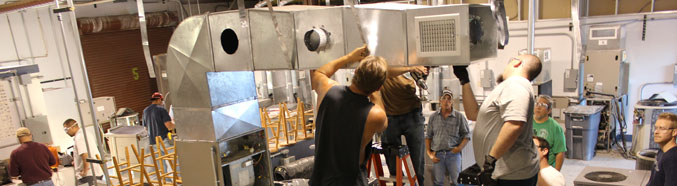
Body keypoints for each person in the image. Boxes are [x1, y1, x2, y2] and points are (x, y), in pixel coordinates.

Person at [455, 55, 542, 186]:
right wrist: (464, 80)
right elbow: (474, 114)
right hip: (506, 174)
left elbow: (514, 125)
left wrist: (490, 160)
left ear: (517, 63)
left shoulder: (516, 84)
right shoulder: (509, 87)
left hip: (511, 176)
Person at [309, 46, 388, 186]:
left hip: (320, 181)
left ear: (356, 72)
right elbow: (384, 123)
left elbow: (319, 72)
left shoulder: (328, 90)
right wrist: (374, 89)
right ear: (379, 88)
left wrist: (350, 57)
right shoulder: (375, 115)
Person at [380, 65, 428, 185]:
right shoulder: (383, 58)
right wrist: (410, 68)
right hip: (390, 116)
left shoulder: (411, 58)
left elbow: (421, 72)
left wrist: (421, 73)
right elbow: (384, 71)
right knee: (393, 167)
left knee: (417, 167)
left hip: (412, 114)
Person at [426, 90, 470, 186]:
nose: (446, 101)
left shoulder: (459, 117)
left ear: (452, 101)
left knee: (456, 182)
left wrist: (459, 148)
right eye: (444, 99)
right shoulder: (433, 117)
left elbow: (466, 135)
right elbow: (428, 136)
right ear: (440, 100)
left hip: (453, 155)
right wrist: (429, 153)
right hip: (438, 155)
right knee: (438, 182)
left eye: (449, 99)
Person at [63, 119, 104, 185]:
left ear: (73, 127)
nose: (66, 132)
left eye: (66, 129)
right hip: (95, 171)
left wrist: (85, 171)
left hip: (89, 175)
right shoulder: (85, 133)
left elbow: (85, 155)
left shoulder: (79, 137)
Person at [532, 95, 566, 170]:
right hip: (529, 167)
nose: (538, 107)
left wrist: (556, 173)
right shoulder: (527, 123)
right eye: (536, 104)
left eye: (543, 105)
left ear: (549, 110)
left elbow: (560, 152)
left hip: (546, 169)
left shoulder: (555, 128)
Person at [646, 112, 677, 186]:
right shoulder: (661, 151)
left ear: (674, 132)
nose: (656, 132)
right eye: (656, 128)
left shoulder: (672, 158)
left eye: (662, 128)